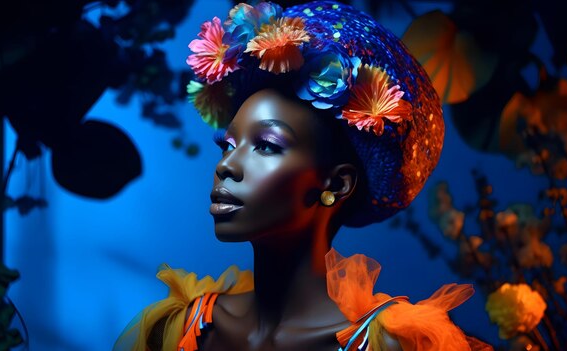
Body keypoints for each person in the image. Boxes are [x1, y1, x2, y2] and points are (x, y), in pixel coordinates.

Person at [114, 1, 492, 350]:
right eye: (228, 145)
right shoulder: (179, 327)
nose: (226, 165)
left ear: (337, 184)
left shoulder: (385, 345)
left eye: (266, 145)